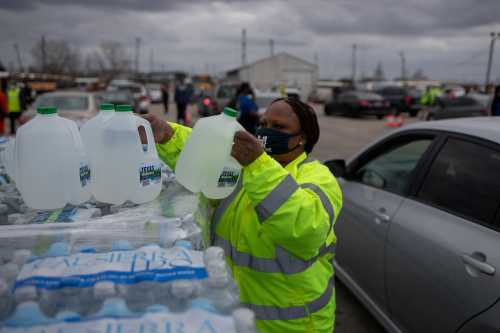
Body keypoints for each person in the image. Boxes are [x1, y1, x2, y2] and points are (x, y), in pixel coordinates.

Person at [143, 98, 343, 333]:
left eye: (279, 127)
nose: (267, 131)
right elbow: (202, 154)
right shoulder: (243, 171)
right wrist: (168, 134)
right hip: (232, 319)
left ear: (303, 138)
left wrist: (257, 164)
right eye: (264, 123)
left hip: (290, 326)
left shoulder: (317, 177)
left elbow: (303, 228)